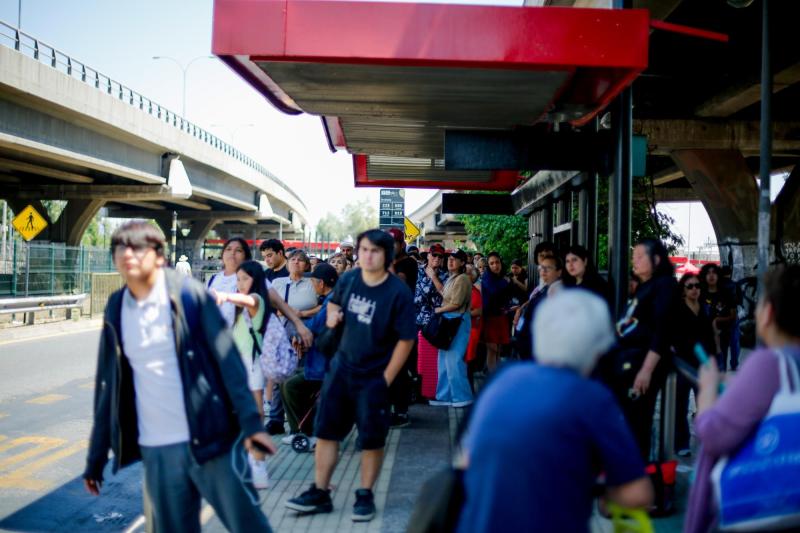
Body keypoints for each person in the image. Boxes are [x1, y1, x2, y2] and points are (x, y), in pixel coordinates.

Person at [83, 221, 275, 533]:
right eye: (120, 248)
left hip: (210, 441)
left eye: (137, 248)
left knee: (250, 526)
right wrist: (95, 457)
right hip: (157, 449)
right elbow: (108, 384)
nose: (127, 254)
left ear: (159, 256)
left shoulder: (189, 295)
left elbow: (229, 363)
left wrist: (252, 425)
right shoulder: (117, 306)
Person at [457, 290, 653, 533]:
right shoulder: (592, 398)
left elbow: (467, 460)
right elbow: (638, 494)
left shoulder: (502, 378)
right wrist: (602, 492)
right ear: (599, 348)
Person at [285, 229, 415, 522]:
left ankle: (365, 494)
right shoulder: (349, 279)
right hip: (341, 370)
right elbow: (334, 301)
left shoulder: (397, 292)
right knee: (326, 432)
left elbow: (406, 339)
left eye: (375, 251)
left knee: (371, 438)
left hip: (374, 376)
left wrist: (386, 379)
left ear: (387, 255)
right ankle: (320, 491)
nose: (368, 256)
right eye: (364, 250)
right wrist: (331, 315)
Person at [684, 264, 800, 533]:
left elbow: (714, 433)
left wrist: (708, 391)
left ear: (768, 313)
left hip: (760, 513)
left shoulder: (768, 364)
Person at [211, 260, 272, 488]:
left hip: (252, 365)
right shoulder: (239, 308)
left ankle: (258, 463)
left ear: (256, 280)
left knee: (254, 413)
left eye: (245, 278)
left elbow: (248, 299)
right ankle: (248, 459)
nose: (240, 283)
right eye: (238, 279)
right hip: (238, 365)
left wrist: (225, 296)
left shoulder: (257, 300)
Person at [615, 238, 676, 460]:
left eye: (641, 256)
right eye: (634, 256)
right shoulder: (643, 287)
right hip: (626, 361)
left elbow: (663, 329)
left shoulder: (664, 285)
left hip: (641, 365)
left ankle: (638, 484)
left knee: (637, 426)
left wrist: (647, 369)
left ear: (657, 259)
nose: (635, 261)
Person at [280, 263, 339, 447]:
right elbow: (313, 326)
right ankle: (298, 430)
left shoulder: (332, 302)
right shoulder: (329, 299)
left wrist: (301, 336)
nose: (311, 284)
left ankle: (308, 432)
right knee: (286, 382)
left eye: (313, 281)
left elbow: (316, 327)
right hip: (320, 363)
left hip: (326, 367)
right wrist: (300, 336)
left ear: (321, 283)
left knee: (291, 386)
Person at [267, 250, 319, 436]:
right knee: (278, 377)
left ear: (306, 265)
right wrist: (282, 311)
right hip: (282, 333)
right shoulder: (277, 283)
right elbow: (269, 305)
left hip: (306, 334)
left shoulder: (312, 283)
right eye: (293, 259)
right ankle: (275, 419)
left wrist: (301, 314)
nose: (296, 262)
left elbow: (324, 305)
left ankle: (299, 424)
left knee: (299, 378)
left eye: (300, 260)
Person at [672, 273, 715, 457]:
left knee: (705, 402)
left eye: (697, 285)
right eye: (690, 286)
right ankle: (681, 442)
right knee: (680, 405)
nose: (694, 289)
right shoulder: (678, 309)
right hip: (683, 362)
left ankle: (708, 438)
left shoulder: (704, 308)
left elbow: (710, 335)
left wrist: (713, 358)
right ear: (683, 289)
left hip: (702, 363)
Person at [430, 250, 474, 407]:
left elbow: (456, 304)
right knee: (444, 360)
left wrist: (438, 310)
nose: (450, 261)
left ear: (462, 263)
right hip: (450, 321)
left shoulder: (462, 279)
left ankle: (462, 396)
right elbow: (444, 294)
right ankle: (444, 396)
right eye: (449, 258)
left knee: (454, 360)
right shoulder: (452, 278)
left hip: (458, 321)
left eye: (454, 259)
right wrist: (433, 277)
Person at [387, 228, 419, 427]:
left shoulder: (408, 263)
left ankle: (401, 412)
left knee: (400, 369)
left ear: (402, 245)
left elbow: (399, 284)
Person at [414, 243, 449, 399]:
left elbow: (446, 296)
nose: (436, 258)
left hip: (434, 321)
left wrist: (433, 277)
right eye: (434, 255)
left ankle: (430, 391)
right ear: (428, 255)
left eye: (440, 256)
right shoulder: (417, 271)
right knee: (415, 357)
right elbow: (417, 296)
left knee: (431, 358)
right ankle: (417, 390)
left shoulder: (445, 275)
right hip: (416, 318)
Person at [512, 255, 563, 360]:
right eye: (541, 268)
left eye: (547, 268)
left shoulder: (560, 292)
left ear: (559, 271)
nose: (543, 271)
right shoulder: (543, 289)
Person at [700, 264, 736, 372]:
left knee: (720, 369)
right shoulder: (701, 294)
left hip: (721, 338)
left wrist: (717, 321)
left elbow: (733, 316)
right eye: (708, 273)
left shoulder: (726, 294)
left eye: (714, 272)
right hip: (704, 339)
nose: (711, 276)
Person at [208, 237, 252, 327]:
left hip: (238, 337)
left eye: (238, 250)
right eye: (228, 249)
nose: (232, 253)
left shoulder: (251, 278)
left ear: (246, 256)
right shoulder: (213, 278)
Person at [480, 252, 511, 372]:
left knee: (498, 349)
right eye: (491, 263)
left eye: (497, 262)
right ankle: (492, 378)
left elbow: (507, 294)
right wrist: (505, 281)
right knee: (492, 349)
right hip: (489, 317)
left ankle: (496, 375)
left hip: (501, 316)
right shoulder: (487, 276)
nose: (495, 265)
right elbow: (494, 290)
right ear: (488, 265)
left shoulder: (502, 276)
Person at [465, 264, 483, 384]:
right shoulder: (466, 289)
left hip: (471, 330)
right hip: (467, 330)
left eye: (465, 272)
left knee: (468, 361)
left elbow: (478, 311)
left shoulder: (474, 292)